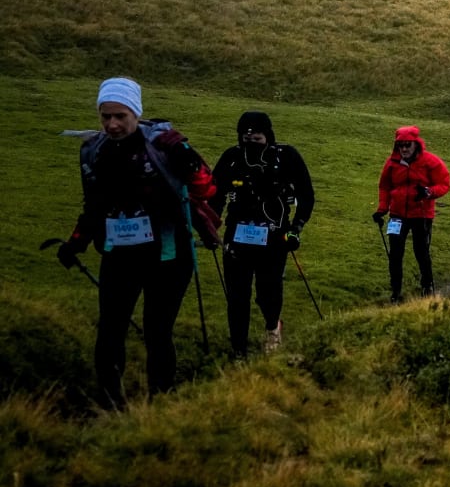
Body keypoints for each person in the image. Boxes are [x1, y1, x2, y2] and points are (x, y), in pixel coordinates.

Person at [58, 77, 222, 408]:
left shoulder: (164, 145)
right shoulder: (93, 151)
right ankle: (110, 404)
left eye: (121, 116)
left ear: (136, 113)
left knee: (157, 330)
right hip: (118, 255)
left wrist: (188, 159)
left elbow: (207, 189)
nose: (112, 124)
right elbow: (93, 206)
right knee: (110, 331)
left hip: (168, 256)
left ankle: (159, 403)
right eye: (106, 117)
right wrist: (75, 242)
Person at [211, 110, 316, 356]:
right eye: (246, 139)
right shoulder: (232, 157)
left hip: (274, 237)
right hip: (237, 237)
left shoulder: (287, 156)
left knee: (268, 291)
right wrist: (210, 224)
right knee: (237, 295)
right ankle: (238, 347)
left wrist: (296, 228)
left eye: (257, 139)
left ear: (267, 135)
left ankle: (272, 327)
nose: (251, 143)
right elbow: (215, 193)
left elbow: (306, 194)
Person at [375, 126, 450, 303]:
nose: (404, 149)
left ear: (416, 144)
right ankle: (396, 292)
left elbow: (444, 183)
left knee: (421, 251)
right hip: (397, 215)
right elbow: (385, 186)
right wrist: (381, 209)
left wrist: (429, 192)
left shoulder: (430, 161)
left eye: (407, 145)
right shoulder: (392, 163)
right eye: (400, 145)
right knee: (395, 254)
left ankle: (427, 286)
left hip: (422, 214)